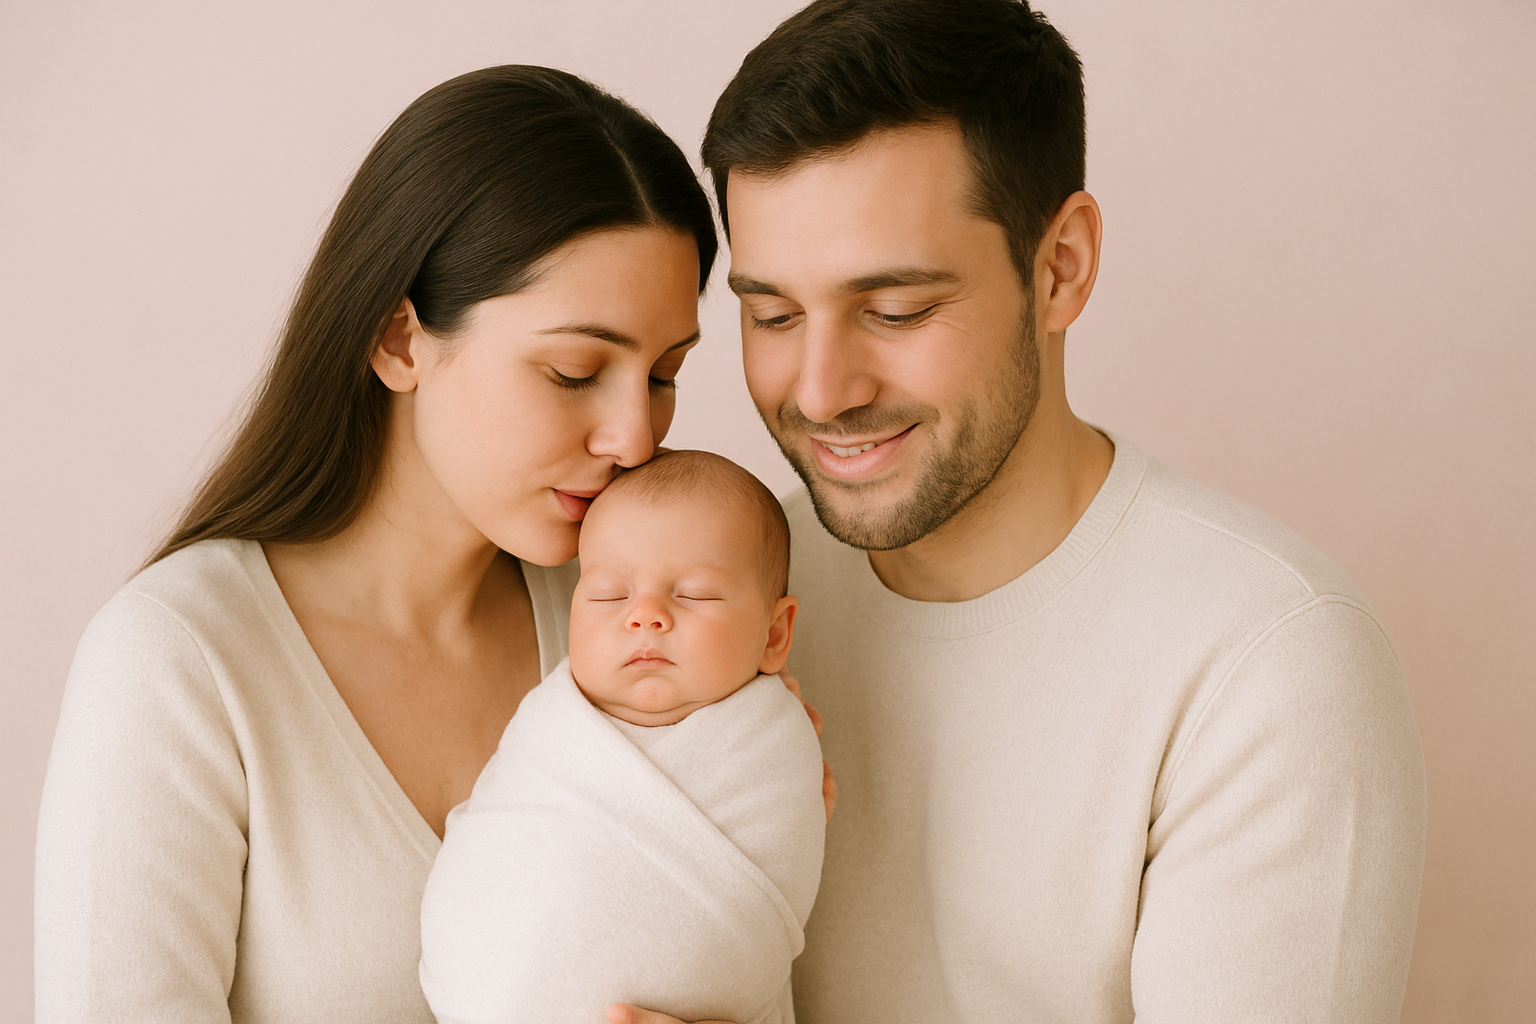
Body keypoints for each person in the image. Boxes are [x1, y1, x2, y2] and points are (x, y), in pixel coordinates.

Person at [613, 1, 1428, 1022]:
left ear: (1061, 267)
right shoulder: (714, 596)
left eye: (896, 310)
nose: (819, 391)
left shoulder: (1268, 663)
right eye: (772, 313)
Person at [34, 65, 723, 1022]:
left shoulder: (636, 628)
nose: (636, 439)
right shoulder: (181, 663)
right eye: (574, 372)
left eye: (663, 375)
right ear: (400, 339)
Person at [420, 450, 824, 1024]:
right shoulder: (547, 738)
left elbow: (777, 856)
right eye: (610, 595)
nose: (646, 615)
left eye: (695, 594)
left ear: (774, 634)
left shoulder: (772, 750)